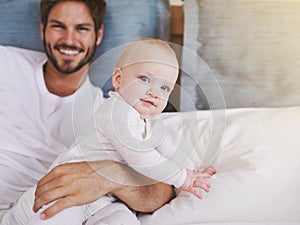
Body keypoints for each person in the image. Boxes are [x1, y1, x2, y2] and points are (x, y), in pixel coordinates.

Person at [1, 38, 216, 225]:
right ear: (118, 79)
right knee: (57, 216)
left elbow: (168, 151)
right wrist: (183, 178)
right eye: (144, 79)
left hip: (108, 198)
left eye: (164, 87)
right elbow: (140, 157)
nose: (154, 92)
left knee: (122, 219)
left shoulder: (150, 124)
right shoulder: (116, 112)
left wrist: (193, 170)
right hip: (67, 190)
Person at [0, 0, 174, 223]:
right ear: (43, 30)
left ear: (98, 35)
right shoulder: (6, 63)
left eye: (82, 28)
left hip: (54, 209)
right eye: (58, 26)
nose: (69, 40)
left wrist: (110, 176)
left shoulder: (112, 110)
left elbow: (161, 192)